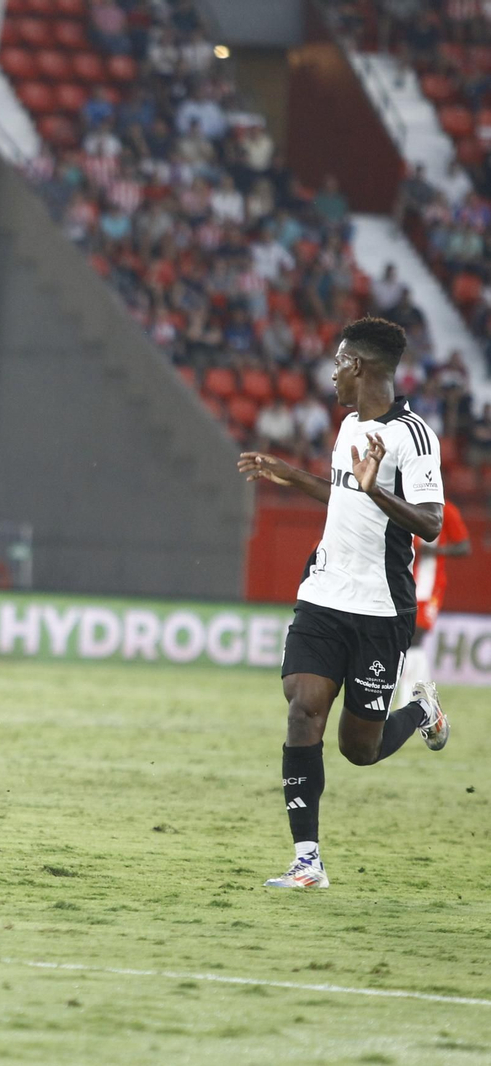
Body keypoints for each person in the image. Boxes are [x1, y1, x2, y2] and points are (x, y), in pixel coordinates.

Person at [237, 318, 449, 889]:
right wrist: (291, 475)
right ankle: (308, 860)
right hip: (325, 592)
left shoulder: (413, 436)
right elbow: (345, 496)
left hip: (381, 608)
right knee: (303, 707)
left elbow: (430, 523)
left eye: (337, 362)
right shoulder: (349, 426)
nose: (331, 373)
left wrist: (377, 488)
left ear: (357, 365)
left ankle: (421, 711)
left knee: (360, 748)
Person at [395, 499, 471, 704]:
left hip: (429, 584)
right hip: (404, 581)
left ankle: (409, 701)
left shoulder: (447, 510)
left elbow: (464, 546)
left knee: (415, 637)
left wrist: (436, 551)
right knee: (408, 639)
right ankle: (425, 700)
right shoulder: (405, 503)